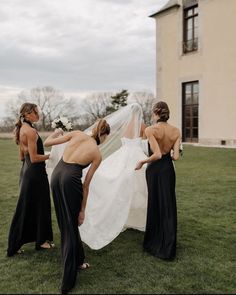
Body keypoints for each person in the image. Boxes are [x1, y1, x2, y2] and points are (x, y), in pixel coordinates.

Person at [44, 119, 110, 294]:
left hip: (56, 176)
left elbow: (47, 142)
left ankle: (79, 260)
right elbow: (85, 185)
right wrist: (82, 210)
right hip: (70, 180)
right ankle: (68, 279)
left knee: (65, 223)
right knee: (71, 225)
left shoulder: (77, 133)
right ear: (103, 135)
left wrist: (58, 132)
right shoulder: (96, 153)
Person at [135, 101, 181, 261]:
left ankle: (153, 242)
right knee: (168, 205)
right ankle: (169, 245)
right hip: (168, 170)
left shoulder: (150, 130)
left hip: (155, 170)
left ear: (156, 113)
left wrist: (141, 162)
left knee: (154, 203)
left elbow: (157, 155)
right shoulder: (176, 131)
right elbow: (175, 157)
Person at [7, 103, 54, 257]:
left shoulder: (22, 129)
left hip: (27, 172)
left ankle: (37, 241)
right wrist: (51, 156)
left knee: (30, 208)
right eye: (35, 112)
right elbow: (34, 158)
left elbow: (23, 157)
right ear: (27, 114)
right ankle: (37, 242)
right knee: (38, 207)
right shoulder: (31, 131)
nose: (38, 115)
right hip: (35, 174)